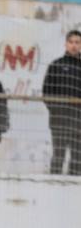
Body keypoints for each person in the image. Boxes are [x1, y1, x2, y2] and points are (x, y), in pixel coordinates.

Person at [42, 30, 81, 176]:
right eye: (71, 42)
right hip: (59, 121)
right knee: (58, 156)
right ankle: (54, 186)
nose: (74, 46)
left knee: (78, 159)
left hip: (78, 121)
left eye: (77, 42)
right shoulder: (56, 65)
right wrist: (57, 111)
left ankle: (75, 189)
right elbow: (46, 92)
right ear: (66, 44)